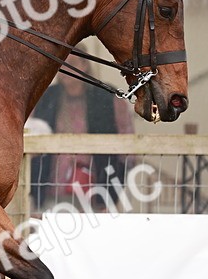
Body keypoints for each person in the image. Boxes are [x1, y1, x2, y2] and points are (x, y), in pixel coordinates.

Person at [28, 73, 134, 212]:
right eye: (62, 66)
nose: (65, 70)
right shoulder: (45, 97)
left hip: (97, 191)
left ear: (84, 66)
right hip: (50, 189)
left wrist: (115, 188)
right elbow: (29, 132)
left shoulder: (107, 97)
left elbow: (128, 145)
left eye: (72, 64)